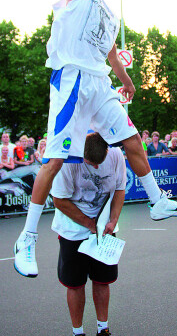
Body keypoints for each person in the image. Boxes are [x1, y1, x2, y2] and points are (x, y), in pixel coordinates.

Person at [13, 0, 177, 278]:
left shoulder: (108, 15)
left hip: (99, 82)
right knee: (55, 160)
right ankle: (25, 240)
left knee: (132, 141)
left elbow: (111, 51)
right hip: (72, 79)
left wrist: (126, 79)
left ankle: (156, 200)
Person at [51, 133, 125, 336]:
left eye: (98, 163)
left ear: (108, 150)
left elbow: (119, 189)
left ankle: (103, 328)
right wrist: (88, 224)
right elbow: (59, 200)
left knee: (102, 281)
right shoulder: (67, 160)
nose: (94, 167)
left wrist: (113, 220)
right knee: (75, 284)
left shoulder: (116, 153)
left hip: (103, 229)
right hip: (72, 230)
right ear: (81, 153)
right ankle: (78, 332)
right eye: (90, 163)